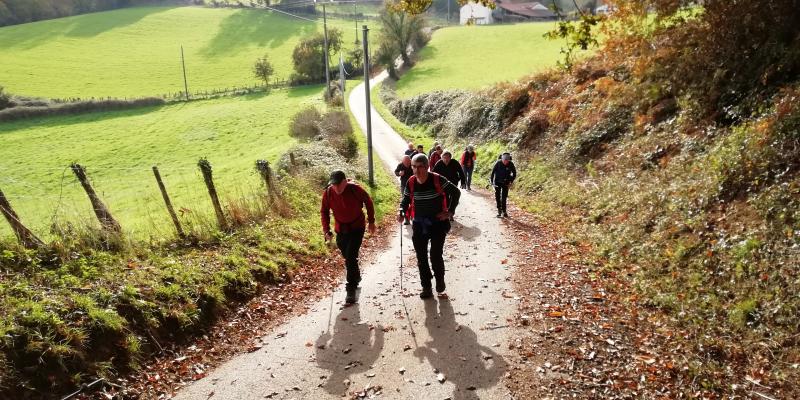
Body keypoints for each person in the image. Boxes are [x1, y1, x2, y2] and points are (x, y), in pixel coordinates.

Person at [398, 154, 461, 299]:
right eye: (414, 166)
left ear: (427, 167)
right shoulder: (411, 181)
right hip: (419, 224)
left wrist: (450, 212)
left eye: (420, 167)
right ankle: (426, 286)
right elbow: (406, 199)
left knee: (435, 254)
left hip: (438, 223)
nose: (416, 170)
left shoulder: (437, 179)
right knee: (421, 257)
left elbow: (455, 192)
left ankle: (439, 280)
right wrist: (401, 210)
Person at [320, 170, 376, 304]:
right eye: (333, 185)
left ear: (345, 182)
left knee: (350, 256)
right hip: (341, 229)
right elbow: (324, 211)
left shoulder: (355, 189)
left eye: (338, 184)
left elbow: (368, 202)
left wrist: (371, 221)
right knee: (348, 256)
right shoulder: (328, 193)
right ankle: (355, 275)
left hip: (357, 227)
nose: (336, 187)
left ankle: (351, 288)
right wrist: (326, 230)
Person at [432, 150, 466, 220]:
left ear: (450, 158)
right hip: (443, 184)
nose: (446, 159)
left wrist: (463, 182)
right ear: (442, 158)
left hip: (453, 182)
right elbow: (433, 174)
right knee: (446, 198)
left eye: (448, 158)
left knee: (453, 197)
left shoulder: (455, 162)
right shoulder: (439, 163)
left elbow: (461, 172)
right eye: (444, 158)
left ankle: (451, 212)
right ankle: (448, 212)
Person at [490, 153, 516, 218]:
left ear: (509, 160)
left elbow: (514, 173)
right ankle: (499, 210)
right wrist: (492, 182)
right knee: (497, 196)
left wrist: (511, 181)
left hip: (506, 182)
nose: (505, 162)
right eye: (504, 160)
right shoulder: (498, 163)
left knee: (504, 197)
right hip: (497, 182)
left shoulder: (511, 164)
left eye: (507, 161)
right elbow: (492, 173)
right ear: (502, 159)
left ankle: (504, 211)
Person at [394, 155, 413, 225]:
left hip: (413, 186)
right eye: (405, 162)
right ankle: (406, 219)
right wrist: (399, 173)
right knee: (405, 202)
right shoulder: (400, 165)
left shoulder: (413, 165)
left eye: (408, 161)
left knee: (413, 202)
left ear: (410, 160)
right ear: (403, 161)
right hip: (404, 186)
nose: (407, 163)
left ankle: (413, 216)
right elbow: (396, 172)